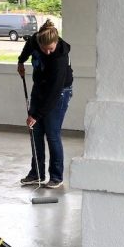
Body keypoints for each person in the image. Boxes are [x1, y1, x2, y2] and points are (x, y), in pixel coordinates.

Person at [16, 19, 73, 188]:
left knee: (52, 133)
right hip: (40, 88)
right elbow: (28, 47)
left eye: (51, 49)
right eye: (44, 49)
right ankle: (36, 174)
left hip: (60, 93)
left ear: (56, 43)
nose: (47, 52)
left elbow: (54, 93)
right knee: (35, 131)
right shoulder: (36, 39)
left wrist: (36, 115)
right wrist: (21, 61)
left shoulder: (59, 58)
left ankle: (56, 176)